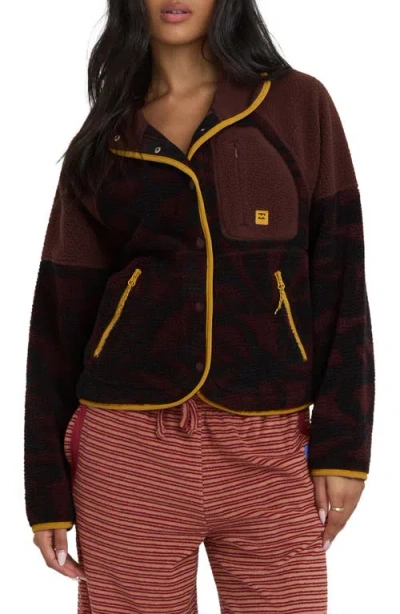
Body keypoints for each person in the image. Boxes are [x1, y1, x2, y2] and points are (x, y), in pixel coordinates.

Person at [24, 1, 375, 612]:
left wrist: (345, 445)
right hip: (127, 450)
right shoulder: (106, 136)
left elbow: (341, 277)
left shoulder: (297, 105)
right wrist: (46, 489)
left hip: (269, 446)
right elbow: (58, 317)